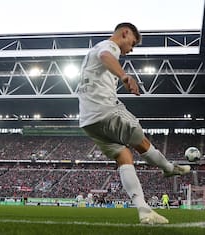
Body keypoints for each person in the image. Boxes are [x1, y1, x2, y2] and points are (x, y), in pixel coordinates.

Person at [77, 22, 190, 224]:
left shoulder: (91, 53)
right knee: (141, 143)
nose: (130, 50)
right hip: (107, 111)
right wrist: (124, 76)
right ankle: (167, 168)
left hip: (88, 121)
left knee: (124, 156)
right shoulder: (109, 47)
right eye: (132, 44)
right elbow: (106, 56)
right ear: (125, 33)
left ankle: (144, 210)